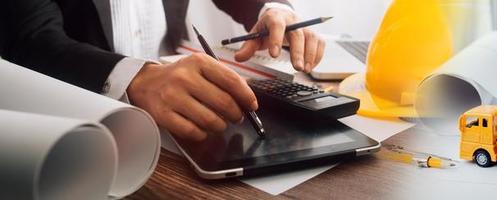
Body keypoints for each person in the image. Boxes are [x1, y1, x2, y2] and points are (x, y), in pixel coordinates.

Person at [0, 0, 325, 141]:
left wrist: (271, 9)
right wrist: (136, 77)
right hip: (77, 123)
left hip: (179, 110)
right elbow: (31, 39)